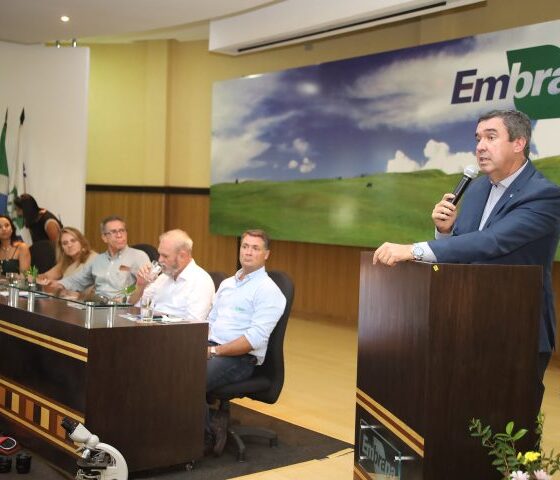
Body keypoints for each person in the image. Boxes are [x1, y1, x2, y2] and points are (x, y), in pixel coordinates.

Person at [372, 109, 560, 416]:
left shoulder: (544, 195)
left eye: (491, 137)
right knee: (461, 416)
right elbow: (463, 247)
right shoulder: (477, 189)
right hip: (465, 323)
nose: (480, 146)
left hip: (517, 330)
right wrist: (445, 233)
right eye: (477, 138)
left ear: (519, 143)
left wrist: (414, 250)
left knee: (508, 421)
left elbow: (493, 242)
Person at [205, 229, 287, 456]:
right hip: (213, 348)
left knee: (190, 378)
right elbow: (210, 321)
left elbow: (253, 340)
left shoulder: (268, 291)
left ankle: (207, 433)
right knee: (172, 366)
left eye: (255, 248)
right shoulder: (227, 284)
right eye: (245, 246)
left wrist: (213, 351)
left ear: (266, 254)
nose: (248, 252)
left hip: (240, 359)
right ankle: (209, 420)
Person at [53, 216, 149, 299]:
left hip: (121, 307)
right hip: (96, 305)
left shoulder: (138, 256)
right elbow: (76, 280)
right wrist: (57, 285)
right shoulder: (97, 260)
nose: (119, 235)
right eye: (114, 232)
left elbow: (149, 285)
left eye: (122, 231)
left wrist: (124, 297)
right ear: (104, 237)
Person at [128, 229, 215, 320]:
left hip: (172, 328)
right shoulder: (163, 277)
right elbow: (134, 305)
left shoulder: (201, 281)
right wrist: (140, 285)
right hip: (150, 326)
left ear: (182, 256)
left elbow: (193, 324)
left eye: (165, 256)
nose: (160, 260)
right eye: (159, 254)